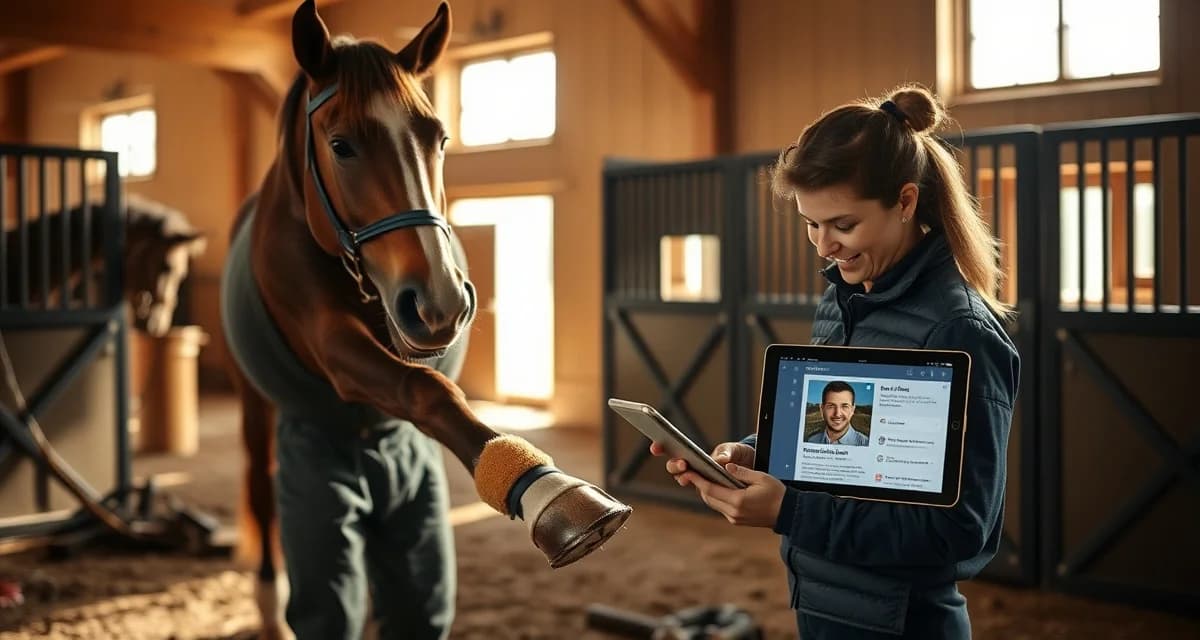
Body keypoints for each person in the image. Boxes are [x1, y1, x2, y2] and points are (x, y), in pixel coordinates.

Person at [651, 84, 1019, 639]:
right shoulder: (841, 298)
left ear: (905, 200)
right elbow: (842, 445)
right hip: (823, 604)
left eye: (843, 225)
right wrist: (752, 453)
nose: (823, 247)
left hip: (903, 624)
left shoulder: (958, 330)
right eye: (810, 223)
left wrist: (791, 512)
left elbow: (961, 530)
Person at [806, 380, 868, 446]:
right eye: (831, 406)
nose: (837, 414)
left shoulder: (865, 443)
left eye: (844, 406)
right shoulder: (811, 441)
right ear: (822, 409)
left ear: (853, 410)